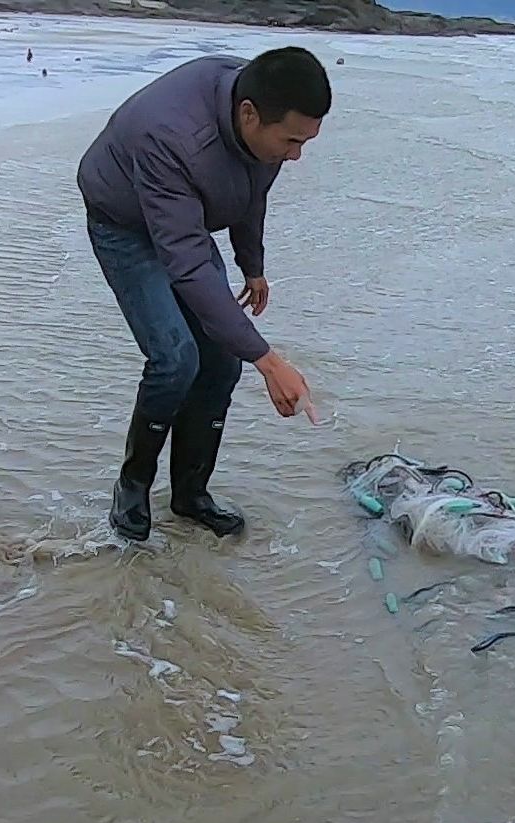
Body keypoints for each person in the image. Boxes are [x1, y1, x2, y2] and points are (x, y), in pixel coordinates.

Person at [76, 47, 331, 543]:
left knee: (220, 363)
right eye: (292, 141)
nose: (296, 155)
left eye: (305, 142)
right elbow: (188, 264)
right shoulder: (169, 136)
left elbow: (250, 193)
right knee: (175, 358)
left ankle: (190, 494)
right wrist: (269, 360)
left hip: (182, 217)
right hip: (124, 223)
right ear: (249, 114)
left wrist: (251, 266)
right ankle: (133, 484)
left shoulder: (260, 120)